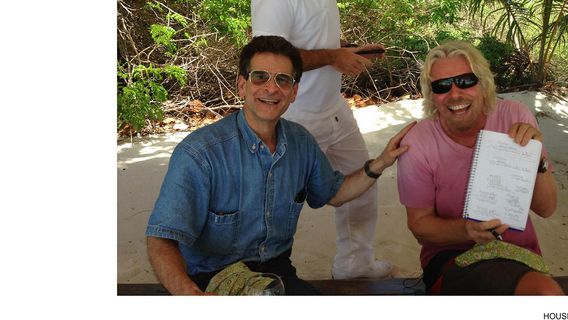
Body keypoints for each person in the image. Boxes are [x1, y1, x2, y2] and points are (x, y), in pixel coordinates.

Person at [145, 35, 413, 295]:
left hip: (276, 275)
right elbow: (161, 237)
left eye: (283, 80)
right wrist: (190, 295)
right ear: (242, 85)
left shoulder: (300, 142)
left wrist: (381, 162)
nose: (271, 88)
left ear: (293, 92)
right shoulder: (200, 153)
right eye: (260, 77)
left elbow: (334, 194)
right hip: (209, 280)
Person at [250, 0, 391, 280]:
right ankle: (260, 277)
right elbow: (269, 60)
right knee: (277, 205)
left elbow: (312, 42)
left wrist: (347, 51)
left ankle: (355, 266)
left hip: (334, 109)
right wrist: (332, 56)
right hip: (294, 119)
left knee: (364, 184)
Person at [396, 41, 564, 295]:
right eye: (442, 86)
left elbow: (546, 208)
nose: (455, 94)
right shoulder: (418, 142)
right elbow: (419, 225)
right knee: (544, 294)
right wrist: (466, 230)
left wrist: (536, 157)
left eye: (465, 81)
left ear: (484, 84)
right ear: (432, 95)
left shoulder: (515, 117)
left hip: (519, 252)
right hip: (453, 257)